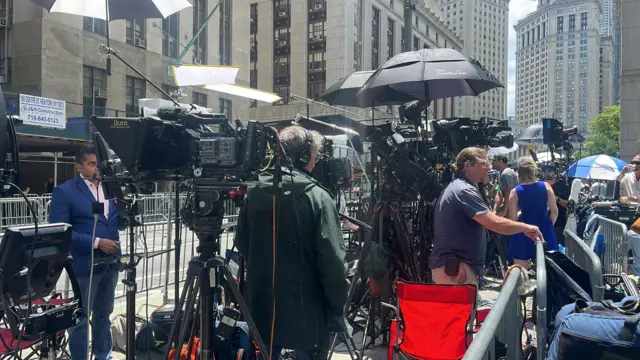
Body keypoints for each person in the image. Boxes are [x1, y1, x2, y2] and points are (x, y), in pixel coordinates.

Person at [235, 125, 348, 360]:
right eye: (314, 157)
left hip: (261, 314)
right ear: (304, 156)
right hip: (307, 321)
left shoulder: (253, 194)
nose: (315, 164)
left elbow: (243, 245)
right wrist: (337, 309)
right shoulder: (318, 197)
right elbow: (334, 264)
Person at [49, 145, 125, 360]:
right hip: (85, 264)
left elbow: (119, 223)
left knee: (104, 315)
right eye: (91, 164)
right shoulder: (65, 192)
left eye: (98, 164)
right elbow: (60, 231)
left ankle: (104, 355)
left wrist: (127, 209)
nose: (96, 168)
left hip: (111, 262)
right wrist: (97, 242)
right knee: (80, 319)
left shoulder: (110, 188)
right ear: (79, 167)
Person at [430, 147, 544, 286]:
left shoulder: (460, 187)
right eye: (483, 163)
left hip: (456, 268)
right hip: (456, 270)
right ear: (467, 165)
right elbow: (493, 223)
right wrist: (525, 227)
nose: (488, 167)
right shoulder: (464, 190)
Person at [507, 158, 558, 268]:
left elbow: (513, 218)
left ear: (519, 173)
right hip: (544, 227)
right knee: (550, 268)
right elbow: (554, 211)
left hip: (523, 229)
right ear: (534, 171)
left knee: (521, 271)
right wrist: (549, 225)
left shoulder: (515, 191)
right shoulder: (546, 186)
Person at [491, 154, 519, 262]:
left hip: (509, 213)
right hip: (511, 211)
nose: (492, 163)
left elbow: (509, 193)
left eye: (494, 160)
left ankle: (510, 262)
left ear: (501, 160)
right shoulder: (504, 173)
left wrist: (505, 211)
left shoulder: (506, 174)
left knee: (506, 238)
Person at [542, 165, 569, 246]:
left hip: (559, 224)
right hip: (542, 223)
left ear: (555, 174)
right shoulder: (539, 186)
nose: (547, 172)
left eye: (549, 170)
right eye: (544, 170)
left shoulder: (562, 186)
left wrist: (557, 199)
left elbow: (568, 204)